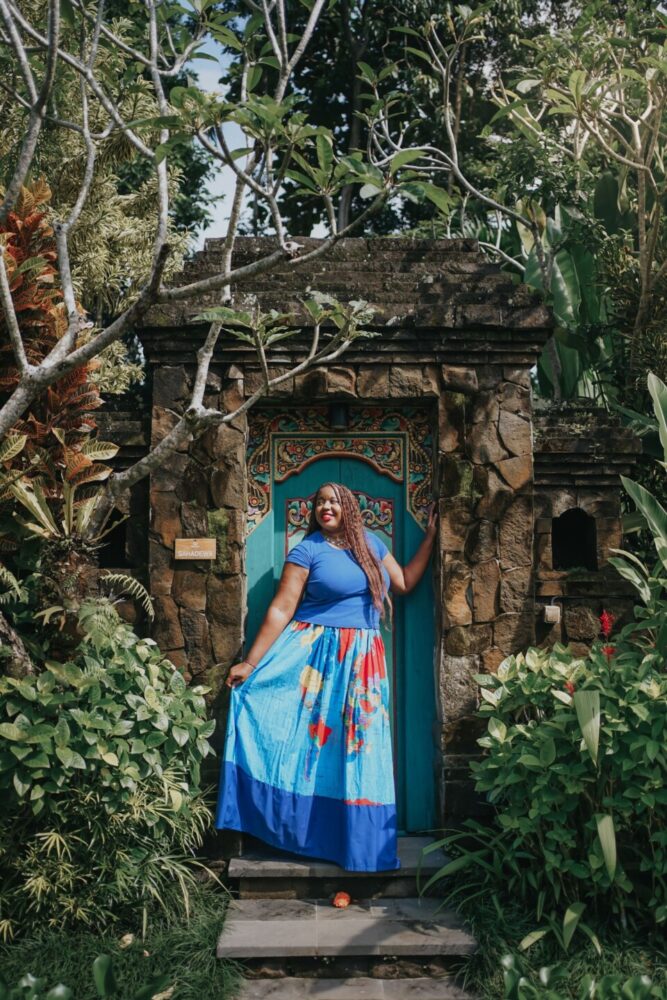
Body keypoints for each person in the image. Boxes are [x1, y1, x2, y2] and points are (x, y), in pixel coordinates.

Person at [215, 481, 438, 872]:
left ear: (349, 505)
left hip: (364, 661)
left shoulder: (372, 544)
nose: (325, 507)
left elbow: (403, 583)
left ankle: (360, 843)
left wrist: (432, 538)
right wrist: (250, 664)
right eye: (319, 502)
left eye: (333, 500)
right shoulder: (307, 550)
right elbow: (282, 608)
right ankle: (307, 834)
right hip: (315, 658)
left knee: (358, 746)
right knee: (312, 747)